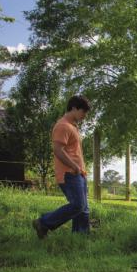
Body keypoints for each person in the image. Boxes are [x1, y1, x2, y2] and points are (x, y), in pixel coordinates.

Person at [32, 95, 91, 237]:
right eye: (83, 112)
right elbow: (58, 150)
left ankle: (80, 237)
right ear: (74, 108)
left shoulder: (72, 127)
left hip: (78, 173)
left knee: (83, 209)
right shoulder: (63, 126)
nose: (85, 116)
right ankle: (43, 222)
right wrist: (74, 166)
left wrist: (80, 170)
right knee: (78, 205)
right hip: (69, 173)